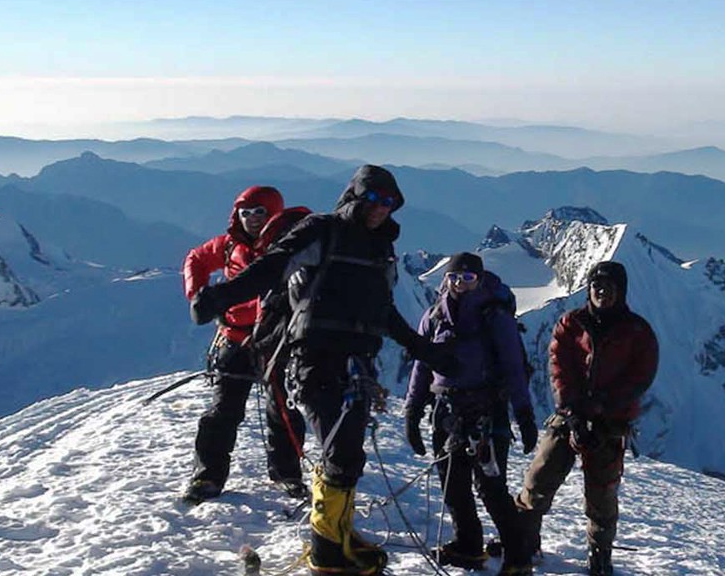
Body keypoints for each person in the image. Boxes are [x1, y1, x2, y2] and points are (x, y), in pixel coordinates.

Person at [190, 164, 456, 575]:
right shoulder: (322, 230)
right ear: (355, 196)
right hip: (314, 359)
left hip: (357, 364)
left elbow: (384, 311)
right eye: (372, 200)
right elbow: (270, 266)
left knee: (348, 455)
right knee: (340, 452)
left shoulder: (380, 248)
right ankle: (327, 549)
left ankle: (336, 535)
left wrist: (425, 351)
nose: (380, 210)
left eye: (388, 203)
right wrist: (219, 297)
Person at [512, 261, 658, 576]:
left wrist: (602, 408)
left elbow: (640, 378)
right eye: (597, 286)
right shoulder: (570, 323)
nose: (602, 292)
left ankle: (599, 555)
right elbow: (559, 368)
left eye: (609, 287)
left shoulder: (638, 332)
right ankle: (523, 539)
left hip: (611, 422)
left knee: (602, 493)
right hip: (570, 416)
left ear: (621, 291)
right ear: (588, 289)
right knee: (539, 478)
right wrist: (575, 413)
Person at [403, 252, 540, 574]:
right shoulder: (435, 315)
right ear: (445, 279)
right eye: (454, 277)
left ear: (479, 280)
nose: (460, 284)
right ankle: (467, 545)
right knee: (453, 483)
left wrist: (524, 414)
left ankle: (518, 557)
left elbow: (513, 367)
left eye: (468, 278)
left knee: (491, 487)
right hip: (445, 409)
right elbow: (422, 364)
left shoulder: (495, 316)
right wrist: (412, 410)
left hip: (487, 411)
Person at [181, 185, 311, 504]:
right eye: (246, 213)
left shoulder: (289, 245)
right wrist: (197, 295)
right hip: (237, 339)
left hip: (277, 341)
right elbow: (195, 258)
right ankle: (207, 477)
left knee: (283, 410)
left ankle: (287, 475)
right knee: (224, 411)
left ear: (274, 213)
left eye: (260, 213)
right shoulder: (229, 246)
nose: (252, 219)